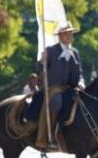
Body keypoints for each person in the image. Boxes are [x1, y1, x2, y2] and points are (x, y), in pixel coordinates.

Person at [35, 21, 85, 150]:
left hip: (71, 88)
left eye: (71, 34)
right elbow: (39, 68)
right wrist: (42, 61)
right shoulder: (50, 50)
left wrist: (81, 83)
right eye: (67, 34)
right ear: (60, 36)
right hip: (54, 88)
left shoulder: (75, 52)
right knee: (57, 102)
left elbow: (79, 72)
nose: (70, 37)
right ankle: (51, 135)